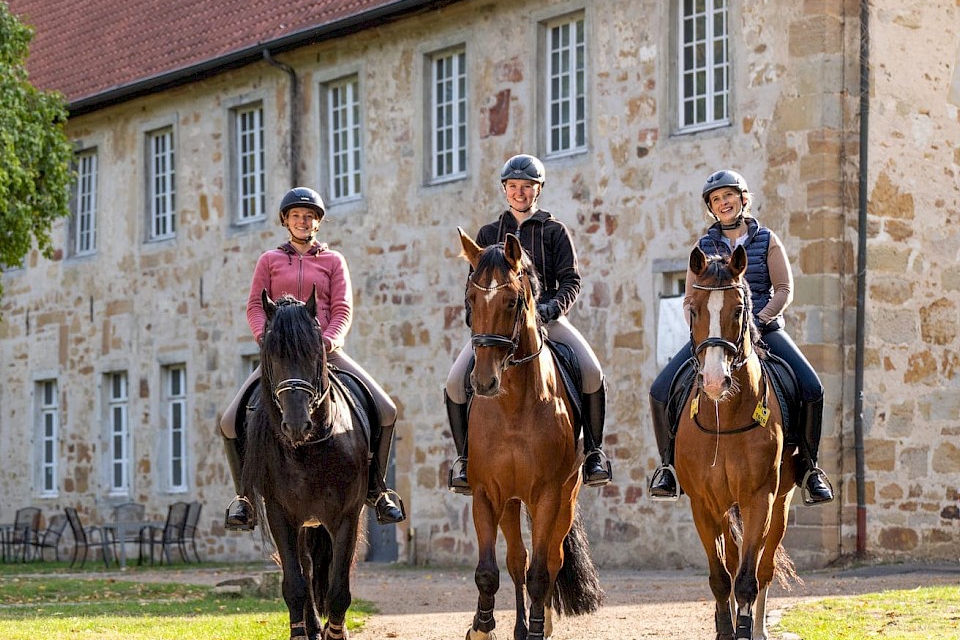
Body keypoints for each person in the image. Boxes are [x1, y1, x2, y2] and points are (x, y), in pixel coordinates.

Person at [220, 187, 406, 530]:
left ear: (317, 222)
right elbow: (255, 306)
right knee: (230, 420)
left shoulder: (333, 261)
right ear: (286, 221)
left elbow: (342, 308)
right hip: (281, 357)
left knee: (387, 409)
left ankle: (378, 490)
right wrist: (265, 338)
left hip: (324, 353)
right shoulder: (269, 261)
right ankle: (244, 498)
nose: (302, 222)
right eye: (296, 216)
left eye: (309, 217)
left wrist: (327, 341)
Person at [648, 169, 834, 505]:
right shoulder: (703, 247)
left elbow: (784, 290)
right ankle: (668, 468)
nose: (723, 203)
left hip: (763, 329)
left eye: (728, 196)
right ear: (711, 207)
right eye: (716, 199)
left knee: (812, 387)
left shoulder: (767, 240)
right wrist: (703, 330)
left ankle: (809, 468)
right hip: (714, 335)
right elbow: (690, 300)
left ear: (743, 199)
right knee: (660, 390)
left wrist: (757, 322)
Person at [444, 153, 613, 493]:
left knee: (592, 373)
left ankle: (594, 453)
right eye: (513, 186)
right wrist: (477, 321)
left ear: (538, 189)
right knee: (454, 383)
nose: (519, 192)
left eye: (527, 186)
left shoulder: (554, 230)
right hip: (499, 327)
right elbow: (473, 288)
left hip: (546, 320)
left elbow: (571, 281)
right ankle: (465, 460)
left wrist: (548, 310)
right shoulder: (488, 233)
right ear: (505, 189)